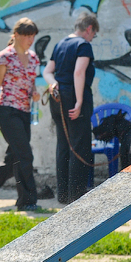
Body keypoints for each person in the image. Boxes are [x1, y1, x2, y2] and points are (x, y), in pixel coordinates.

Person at [0, 17, 41, 212]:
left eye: (33, 36)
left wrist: (35, 93)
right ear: (16, 35)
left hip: (25, 112)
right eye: (27, 35)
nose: (31, 39)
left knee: (15, 159)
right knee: (25, 155)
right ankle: (27, 201)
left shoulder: (34, 58)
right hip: (7, 112)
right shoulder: (4, 57)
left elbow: (30, 84)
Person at [42, 12, 100, 205]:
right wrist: (79, 102)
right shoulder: (83, 45)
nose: (92, 38)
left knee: (63, 146)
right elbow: (79, 72)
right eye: (94, 34)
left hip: (57, 99)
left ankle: (64, 195)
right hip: (74, 97)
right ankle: (76, 195)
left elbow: (47, 71)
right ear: (89, 29)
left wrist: (53, 85)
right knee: (79, 145)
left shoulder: (60, 45)